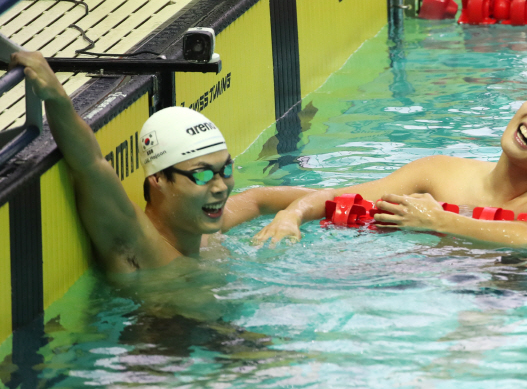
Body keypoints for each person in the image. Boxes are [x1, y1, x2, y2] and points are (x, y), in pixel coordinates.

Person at [10, 51, 312, 273]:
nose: (221, 187)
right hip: (164, 349)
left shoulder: (208, 226)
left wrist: (293, 214)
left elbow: (262, 199)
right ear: (158, 180)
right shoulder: (137, 245)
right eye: (203, 175)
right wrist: (56, 97)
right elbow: (90, 164)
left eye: (226, 170)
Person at [253, 79, 527, 249]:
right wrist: (292, 213)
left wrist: (437, 219)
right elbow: (341, 197)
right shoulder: (439, 171)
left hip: (497, 285)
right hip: (416, 273)